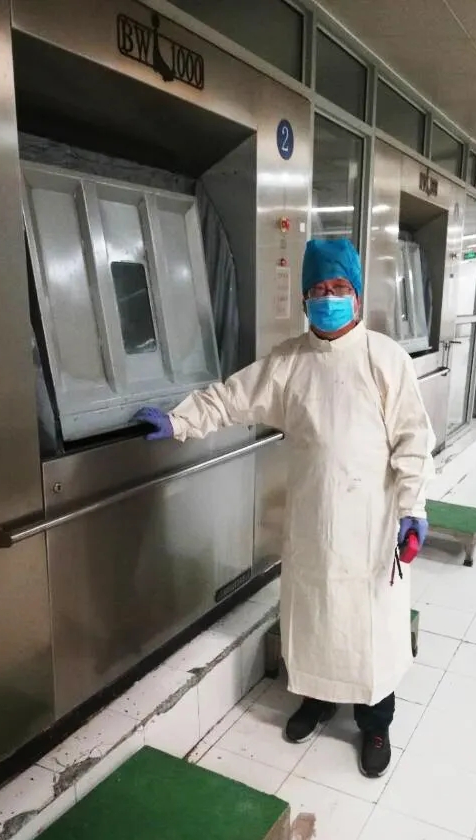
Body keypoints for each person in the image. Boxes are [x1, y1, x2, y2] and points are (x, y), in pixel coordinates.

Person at [133, 238, 435, 777]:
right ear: (304, 300)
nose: (329, 297)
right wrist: (179, 420)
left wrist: (413, 508)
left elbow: (413, 439)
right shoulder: (290, 361)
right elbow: (231, 398)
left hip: (371, 525)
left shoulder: (385, 359)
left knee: (368, 627)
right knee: (315, 618)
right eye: (318, 289)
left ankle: (376, 723)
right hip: (313, 523)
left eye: (339, 288)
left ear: (357, 296)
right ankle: (317, 700)